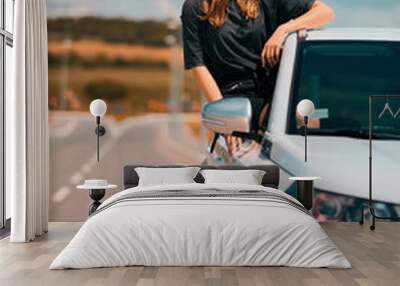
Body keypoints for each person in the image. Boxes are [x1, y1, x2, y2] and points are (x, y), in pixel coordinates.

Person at [181, 0, 335, 154]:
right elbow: (198, 65)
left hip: (275, 97)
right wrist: (225, 121)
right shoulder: (196, 6)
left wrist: (283, 30)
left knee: (321, 127)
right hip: (232, 103)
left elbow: (325, 12)